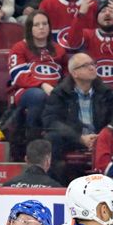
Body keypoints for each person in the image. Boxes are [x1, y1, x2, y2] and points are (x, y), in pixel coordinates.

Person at [41, 52, 113, 182]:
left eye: (93, 64)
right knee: (51, 138)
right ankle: (56, 184)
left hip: (102, 137)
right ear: (74, 73)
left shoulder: (106, 92)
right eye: (85, 65)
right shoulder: (60, 93)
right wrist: (79, 138)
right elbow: (51, 121)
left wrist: (102, 136)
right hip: (73, 139)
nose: (92, 68)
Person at [5, 10, 66, 156]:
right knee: (38, 96)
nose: (41, 27)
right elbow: (18, 75)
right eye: (36, 24)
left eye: (44, 24)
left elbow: (66, 75)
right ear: (29, 28)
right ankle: (30, 142)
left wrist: (60, 90)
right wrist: (42, 85)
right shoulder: (19, 48)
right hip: (26, 91)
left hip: (54, 91)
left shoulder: (58, 49)